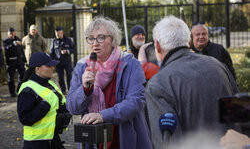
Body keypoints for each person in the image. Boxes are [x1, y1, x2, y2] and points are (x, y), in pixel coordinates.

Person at [145, 16, 239, 149]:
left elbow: (166, 143)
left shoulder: (158, 84)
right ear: (189, 41)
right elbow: (240, 117)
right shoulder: (217, 65)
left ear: (157, 46)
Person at [66, 16, 152, 149]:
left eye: (101, 37)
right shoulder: (82, 66)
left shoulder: (130, 64)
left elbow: (136, 102)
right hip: (93, 142)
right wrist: (84, 90)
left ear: (113, 40)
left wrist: (103, 116)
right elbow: (72, 107)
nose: (95, 43)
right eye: (91, 38)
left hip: (124, 139)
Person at [17, 52, 71, 149]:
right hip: (36, 143)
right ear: (37, 69)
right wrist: (44, 106)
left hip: (52, 138)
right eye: (48, 66)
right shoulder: (28, 89)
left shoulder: (49, 83)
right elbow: (25, 119)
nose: (52, 68)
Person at [50, 26, 75, 94]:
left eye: (59, 34)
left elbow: (73, 49)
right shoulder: (54, 41)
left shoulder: (68, 40)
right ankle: (63, 90)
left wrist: (66, 51)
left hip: (67, 62)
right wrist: (51, 63)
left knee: (69, 76)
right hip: (58, 62)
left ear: (62, 33)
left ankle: (70, 90)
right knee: (60, 78)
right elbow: (51, 52)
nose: (57, 35)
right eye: (56, 34)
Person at [3, 27, 26, 97]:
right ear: (8, 34)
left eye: (13, 34)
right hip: (11, 62)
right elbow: (6, 49)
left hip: (19, 61)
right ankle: (12, 92)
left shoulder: (18, 39)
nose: (12, 35)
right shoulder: (6, 41)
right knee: (11, 78)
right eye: (10, 34)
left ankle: (19, 89)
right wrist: (13, 44)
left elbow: (22, 50)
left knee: (22, 76)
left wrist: (24, 59)